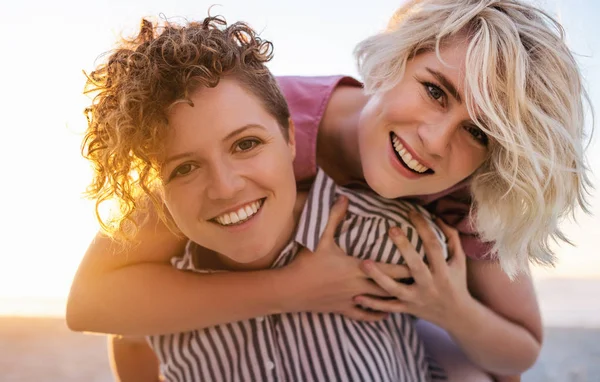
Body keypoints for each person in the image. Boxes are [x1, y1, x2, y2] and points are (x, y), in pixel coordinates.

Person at [67, 0, 591, 380]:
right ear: (398, 58)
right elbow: (94, 302)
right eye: (435, 91)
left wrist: (448, 305)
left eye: (478, 131)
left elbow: (518, 354)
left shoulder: (468, 190)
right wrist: (296, 287)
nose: (433, 140)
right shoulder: (244, 137)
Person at [74, 15, 453, 381]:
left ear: (290, 137)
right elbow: (128, 341)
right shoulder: (157, 301)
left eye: (246, 144)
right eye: (184, 168)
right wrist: (290, 289)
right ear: (159, 190)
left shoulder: (386, 239)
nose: (225, 187)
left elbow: (488, 357)